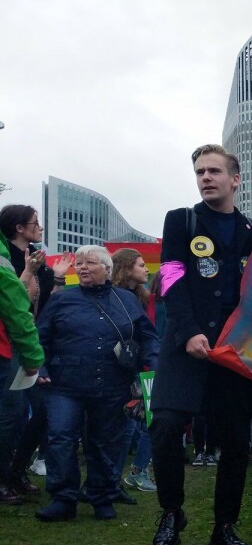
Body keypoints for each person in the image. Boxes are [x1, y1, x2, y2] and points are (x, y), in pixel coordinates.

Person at [149, 143, 252, 545]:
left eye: (214, 171)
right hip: (186, 345)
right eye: (200, 171)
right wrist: (187, 332)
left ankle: (224, 526)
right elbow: (170, 277)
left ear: (235, 179)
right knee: (164, 427)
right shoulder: (181, 221)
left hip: (234, 352)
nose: (205, 178)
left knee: (236, 441)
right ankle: (171, 513)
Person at [34, 246, 159, 522]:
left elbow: (147, 337)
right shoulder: (61, 301)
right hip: (65, 384)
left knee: (106, 441)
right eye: (79, 263)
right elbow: (40, 338)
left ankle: (101, 496)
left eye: (90, 262)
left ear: (107, 269)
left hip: (113, 384)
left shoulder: (127, 300)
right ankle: (63, 498)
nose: (83, 267)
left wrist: (156, 367)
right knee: (61, 438)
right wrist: (40, 367)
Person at [0, 213, 46, 505]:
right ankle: (5, 477)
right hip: (12, 347)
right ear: (19, 227)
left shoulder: (37, 260)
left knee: (31, 413)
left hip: (22, 344)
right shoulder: (10, 259)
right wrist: (28, 272)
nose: (40, 228)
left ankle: (14, 471)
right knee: (10, 416)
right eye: (35, 223)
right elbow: (17, 306)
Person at [110, 248, 157, 493]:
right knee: (131, 425)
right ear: (126, 268)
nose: (146, 269)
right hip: (125, 370)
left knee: (150, 421)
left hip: (144, 367)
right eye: (140, 265)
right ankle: (121, 478)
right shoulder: (112, 297)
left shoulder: (143, 297)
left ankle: (130, 474)